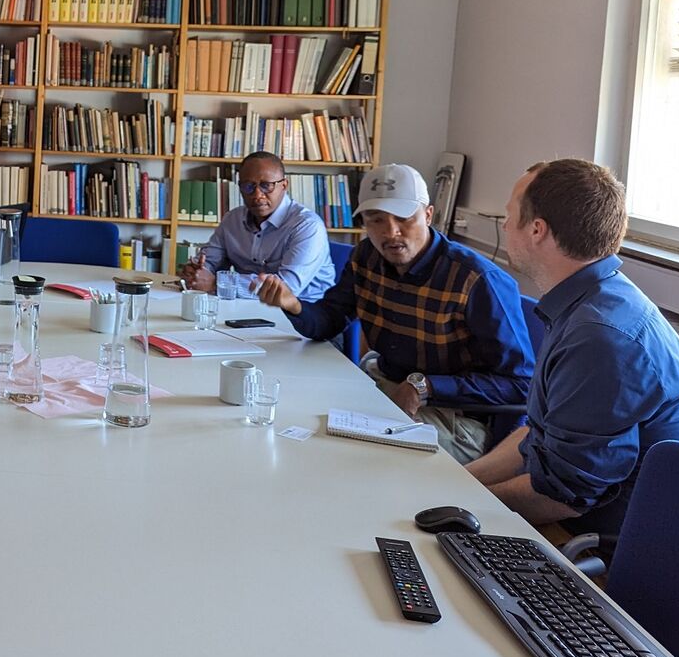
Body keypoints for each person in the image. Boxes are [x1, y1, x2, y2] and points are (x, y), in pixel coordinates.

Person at [257, 162, 533, 463]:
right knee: (292, 424)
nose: (390, 232)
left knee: (346, 461)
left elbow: (522, 385)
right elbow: (330, 320)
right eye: (376, 220)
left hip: (456, 416)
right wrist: (294, 305)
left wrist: (426, 386)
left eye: (404, 218)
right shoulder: (366, 256)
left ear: (428, 215)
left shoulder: (477, 280)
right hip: (383, 389)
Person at [467, 159, 679, 534]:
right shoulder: (587, 300)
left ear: (537, 230)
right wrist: (459, 479)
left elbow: (563, 497)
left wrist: (459, 501)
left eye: (509, 215)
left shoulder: (599, 337)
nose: (504, 226)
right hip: (570, 514)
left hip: (599, 542)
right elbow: (538, 435)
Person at [180, 151, 337, 302]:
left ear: (284, 185)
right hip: (248, 304)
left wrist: (217, 284)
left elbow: (287, 287)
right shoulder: (232, 220)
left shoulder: (307, 226)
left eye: (266, 185)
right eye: (248, 186)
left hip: (304, 308)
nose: (257, 195)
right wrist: (197, 273)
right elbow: (210, 261)